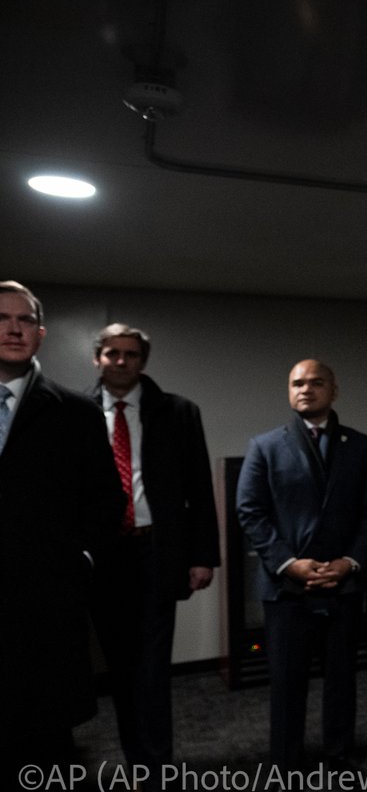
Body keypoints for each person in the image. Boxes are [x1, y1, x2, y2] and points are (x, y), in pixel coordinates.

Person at [86, 323, 220, 789]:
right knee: (120, 668)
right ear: (97, 359)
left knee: (152, 667)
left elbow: (200, 489)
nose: (121, 361)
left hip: (156, 551)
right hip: (104, 557)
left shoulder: (178, 412)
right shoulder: (74, 413)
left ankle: (157, 771)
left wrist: (203, 556)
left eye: (131, 354)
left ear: (143, 360)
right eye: (112, 353)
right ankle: (136, 760)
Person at [236, 359, 367, 771]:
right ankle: (286, 762)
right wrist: (288, 563)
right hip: (287, 589)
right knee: (287, 684)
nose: (306, 389)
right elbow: (250, 511)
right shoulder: (264, 446)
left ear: (333, 390)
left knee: (342, 680)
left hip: (343, 583)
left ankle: (338, 754)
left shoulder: (361, 446)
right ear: (289, 391)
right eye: (297, 383)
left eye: (316, 382)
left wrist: (350, 561)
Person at [0, 281, 125, 773]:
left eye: (24, 320)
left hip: (45, 610)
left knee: (45, 750)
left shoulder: (75, 413)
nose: (13, 328)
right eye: (1, 318)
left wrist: (79, 562)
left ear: (41, 333)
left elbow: (105, 503)